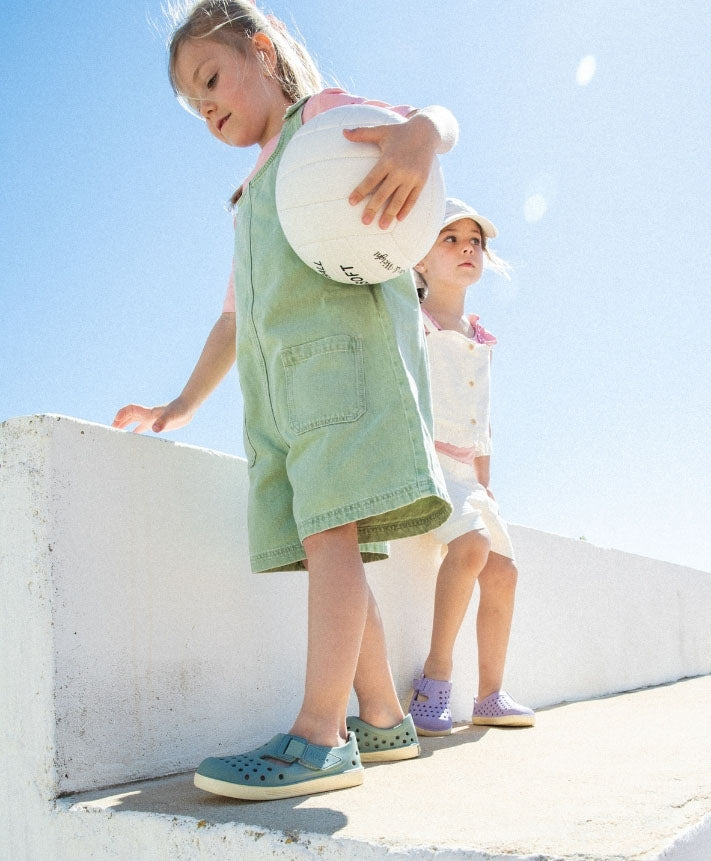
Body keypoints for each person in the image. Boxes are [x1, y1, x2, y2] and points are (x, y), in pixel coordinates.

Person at [113, 0, 457, 800]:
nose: (210, 110)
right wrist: (180, 404)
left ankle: (319, 734)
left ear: (262, 51)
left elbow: (431, 121)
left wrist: (421, 136)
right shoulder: (250, 198)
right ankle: (381, 715)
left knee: (332, 539)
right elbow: (234, 320)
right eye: (197, 108)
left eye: (212, 80)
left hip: (342, 378)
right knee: (328, 548)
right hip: (281, 406)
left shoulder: (324, 127)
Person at [408, 198, 535, 736]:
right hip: (426, 465)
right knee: (472, 547)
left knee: (504, 572)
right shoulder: (413, 321)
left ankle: (489, 695)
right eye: (450, 239)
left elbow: (482, 419)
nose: (465, 248)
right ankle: (434, 680)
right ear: (420, 258)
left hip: (467, 477)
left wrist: (487, 485)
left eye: (475, 242)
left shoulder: (482, 338)